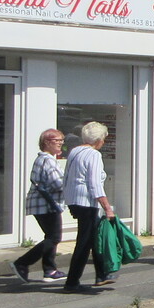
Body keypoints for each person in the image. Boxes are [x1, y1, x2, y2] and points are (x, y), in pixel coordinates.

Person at [60, 121, 116, 294]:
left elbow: (67, 176)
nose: (104, 142)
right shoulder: (93, 155)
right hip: (86, 201)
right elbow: (94, 184)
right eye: (103, 139)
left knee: (93, 238)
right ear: (98, 140)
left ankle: (101, 274)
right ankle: (72, 282)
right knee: (84, 243)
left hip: (74, 199)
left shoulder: (75, 151)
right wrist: (107, 207)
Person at [11, 129, 67, 283]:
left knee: (51, 237)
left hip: (43, 204)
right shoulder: (47, 160)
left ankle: (50, 270)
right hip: (46, 204)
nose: (61, 143)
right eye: (58, 140)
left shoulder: (45, 159)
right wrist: (72, 183)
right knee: (54, 237)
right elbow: (57, 183)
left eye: (62, 140)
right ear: (47, 142)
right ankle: (22, 263)